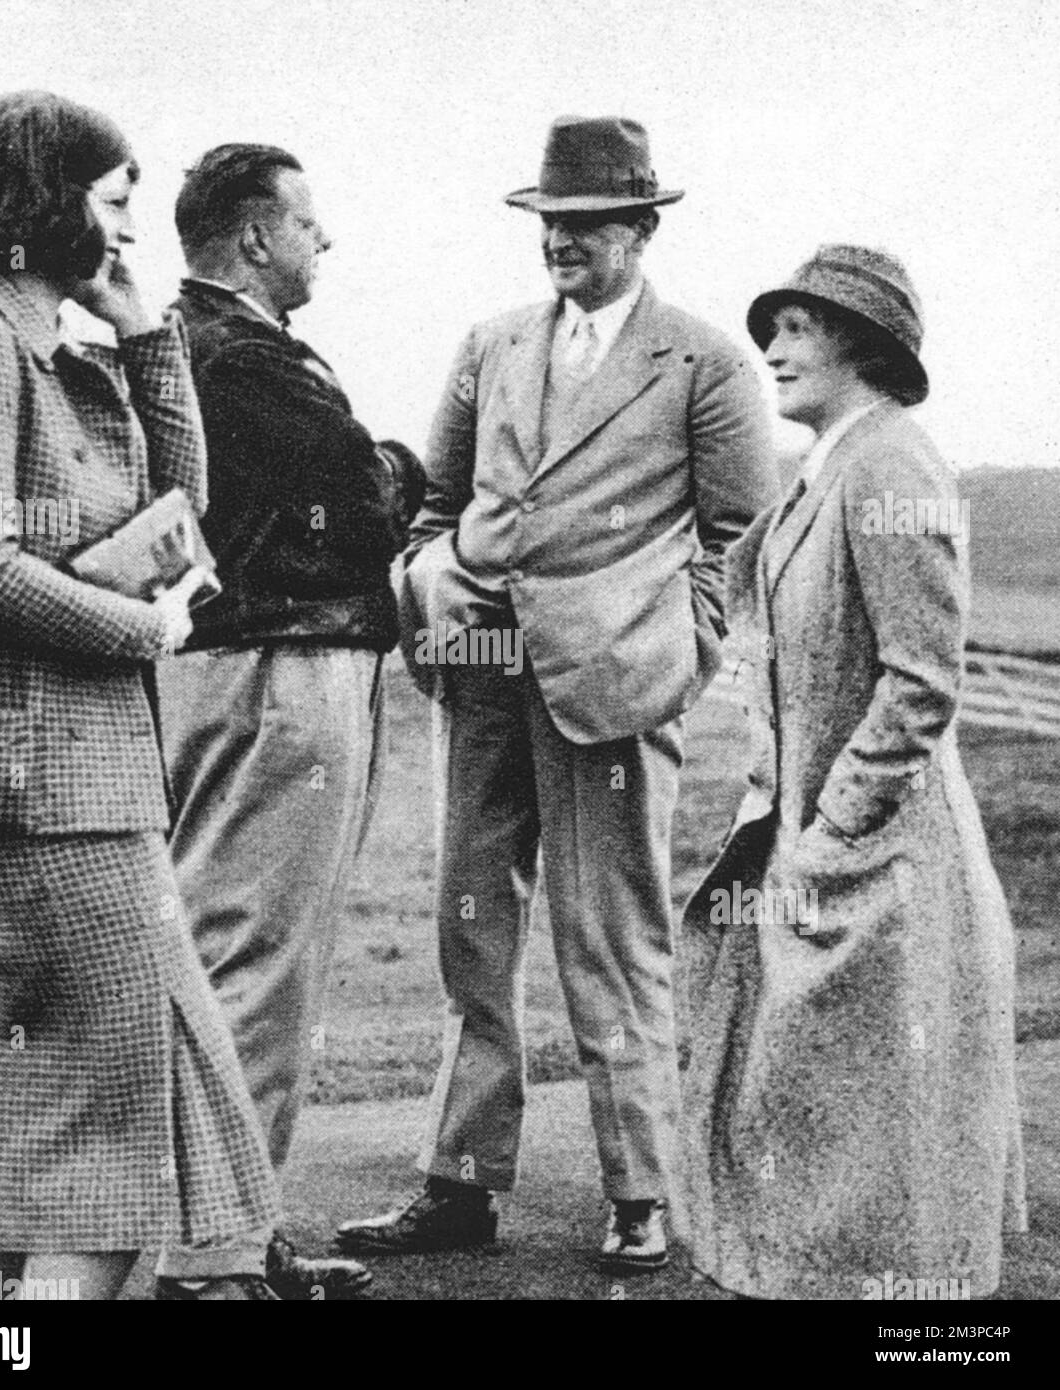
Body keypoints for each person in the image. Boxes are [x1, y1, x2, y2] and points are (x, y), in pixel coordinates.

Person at [336, 115, 777, 1270]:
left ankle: (639, 1191)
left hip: (614, 689)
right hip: (480, 676)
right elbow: (433, 508)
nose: (559, 242)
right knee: (469, 926)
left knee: (611, 937)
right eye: (547, 222)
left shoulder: (705, 361)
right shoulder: (490, 344)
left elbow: (735, 539)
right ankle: (458, 1182)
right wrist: (429, 591)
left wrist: (676, 650)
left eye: (584, 223)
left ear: (639, 227)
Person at [0, 91, 284, 1301]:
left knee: (35, 1126)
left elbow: (179, 507)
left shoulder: (52, 349)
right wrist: (146, 630)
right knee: (111, 1141)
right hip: (33, 793)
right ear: (42, 203)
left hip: (72, 785)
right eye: (113, 205)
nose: (126, 235)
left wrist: (147, 336)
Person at [680, 244, 1029, 1299]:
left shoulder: (889, 464)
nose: (773, 352)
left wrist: (832, 830)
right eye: (771, 331)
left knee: (881, 1159)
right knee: (820, 1119)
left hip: (884, 865)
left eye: (796, 328)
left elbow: (919, 681)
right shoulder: (823, 471)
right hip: (818, 847)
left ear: (862, 343)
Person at [155, 144, 425, 1298]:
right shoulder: (251, 360)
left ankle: (235, 1231)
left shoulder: (174, 345)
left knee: (234, 953)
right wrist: (412, 468)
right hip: (278, 675)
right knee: (254, 965)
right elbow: (365, 502)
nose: (324, 241)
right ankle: (210, 1259)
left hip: (222, 674)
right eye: (308, 223)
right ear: (256, 236)